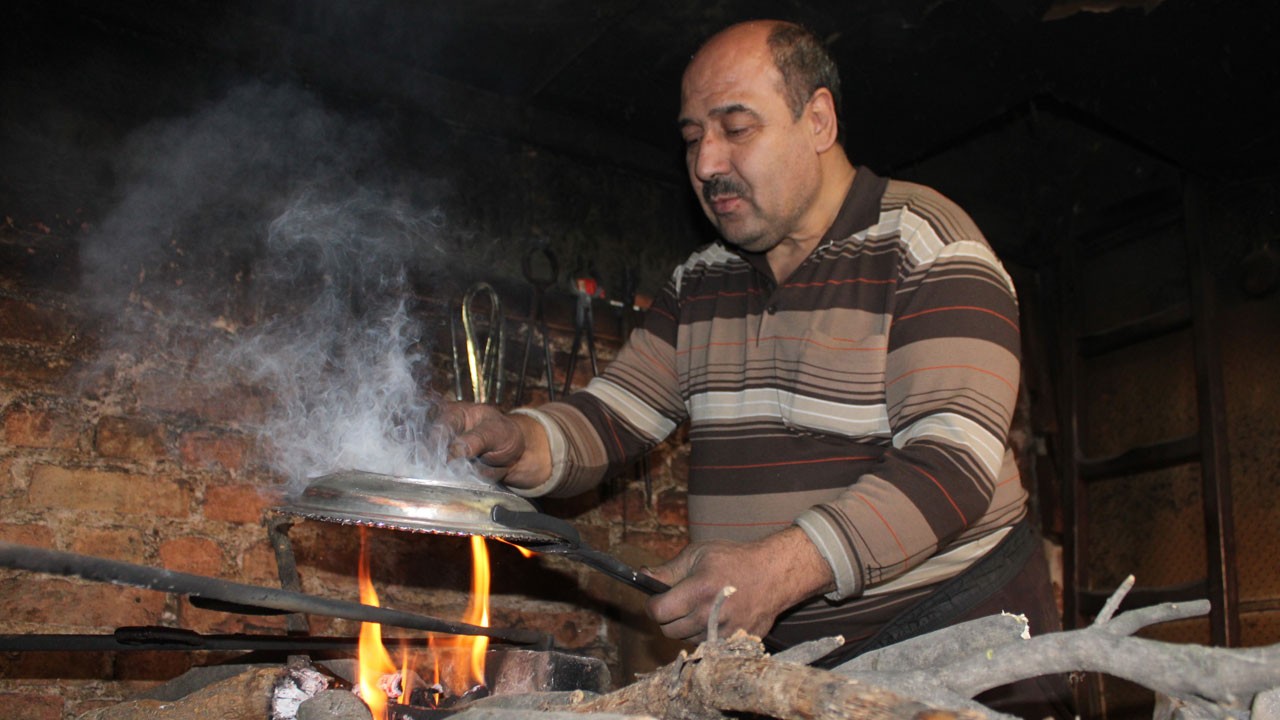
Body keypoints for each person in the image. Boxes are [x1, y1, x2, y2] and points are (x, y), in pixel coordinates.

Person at [448, 19, 1067, 716]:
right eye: (691, 138)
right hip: (790, 664)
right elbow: (610, 416)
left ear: (819, 120)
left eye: (736, 128)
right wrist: (516, 441)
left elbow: (949, 465)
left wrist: (776, 570)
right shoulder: (701, 284)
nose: (707, 163)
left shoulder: (928, 246)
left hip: (957, 641)